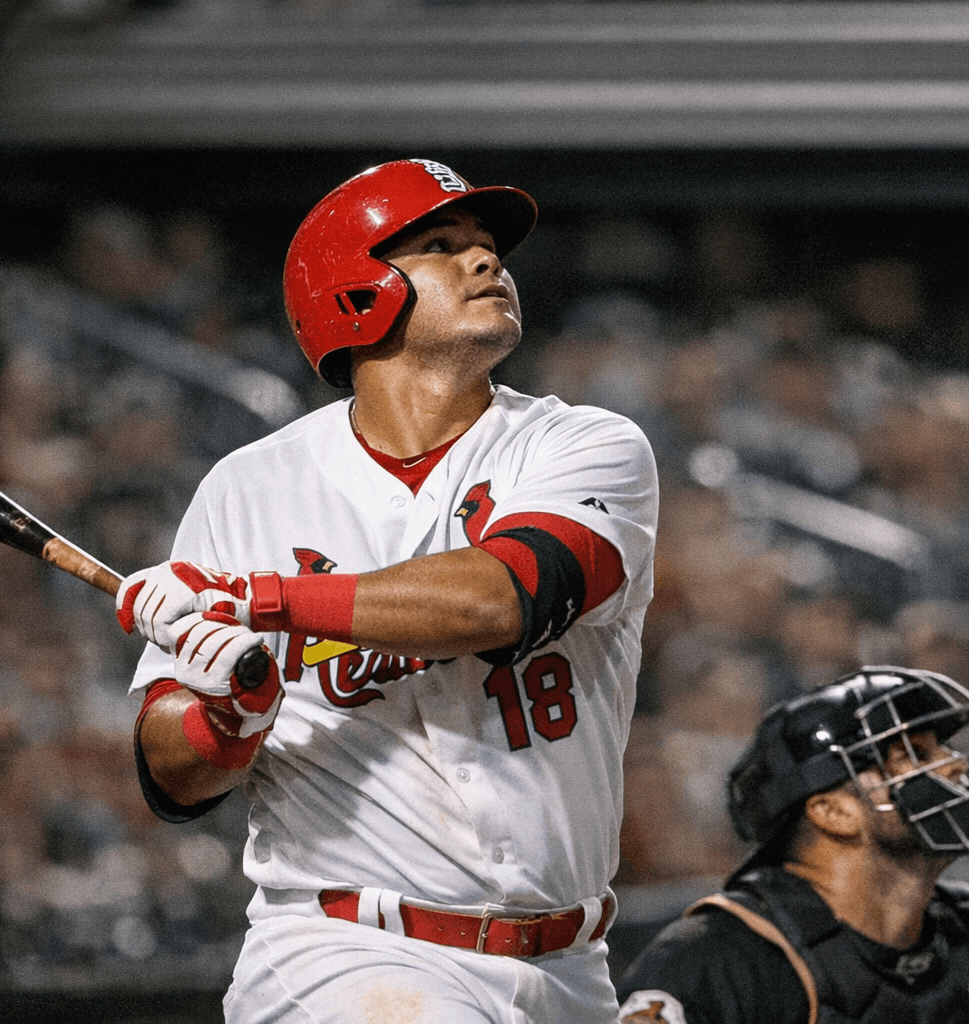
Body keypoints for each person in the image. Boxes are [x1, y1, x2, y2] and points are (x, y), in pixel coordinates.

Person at [113, 158, 658, 1023]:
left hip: (572, 965)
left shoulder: (584, 445)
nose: (488, 263)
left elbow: (500, 599)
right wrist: (225, 721)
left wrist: (260, 597)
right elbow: (166, 777)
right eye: (443, 246)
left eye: (488, 247)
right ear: (352, 292)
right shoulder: (250, 487)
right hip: (347, 951)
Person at [614, 665, 969, 1024]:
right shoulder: (717, 962)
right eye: (916, 755)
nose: (955, 766)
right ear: (833, 812)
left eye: (941, 749)